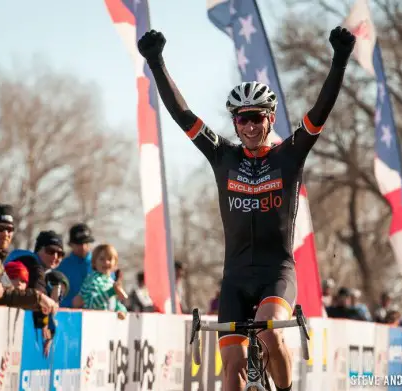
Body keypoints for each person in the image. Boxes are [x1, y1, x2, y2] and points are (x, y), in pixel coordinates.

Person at [137, 25, 355, 391]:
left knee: (270, 332)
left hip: (276, 273)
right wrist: (156, 63)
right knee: (232, 369)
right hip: (235, 278)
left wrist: (340, 60)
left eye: (257, 117)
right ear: (235, 123)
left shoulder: (290, 154)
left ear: (270, 118)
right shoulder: (223, 155)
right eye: (242, 118)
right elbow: (183, 114)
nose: (250, 125)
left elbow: (320, 110)